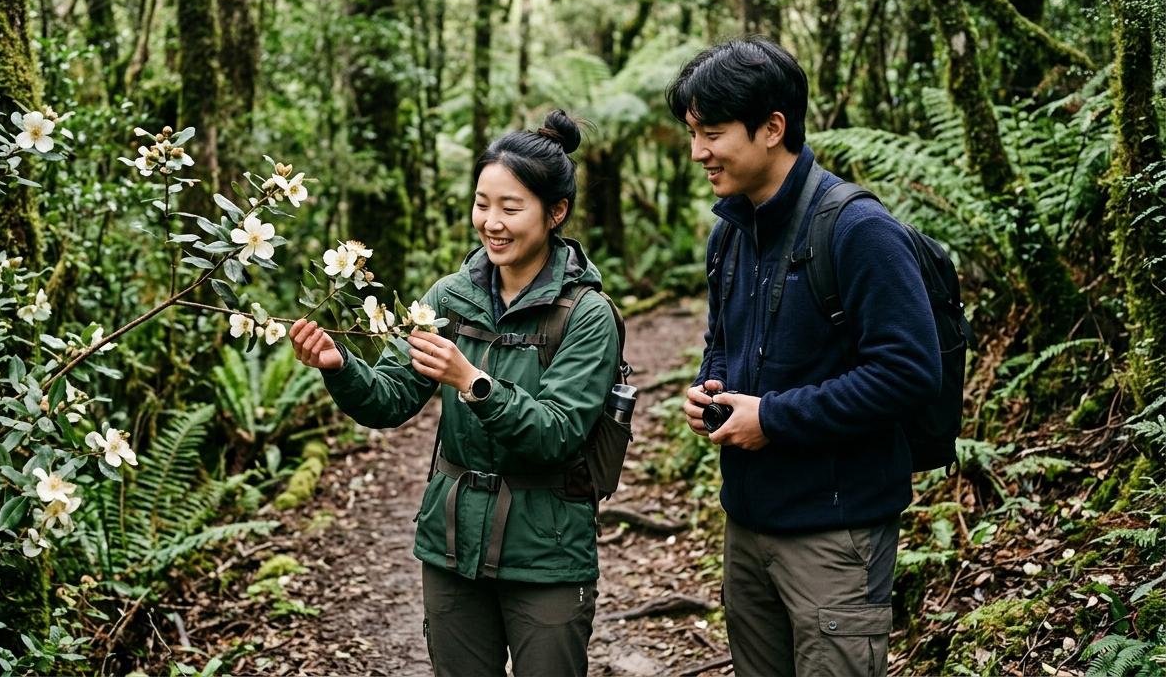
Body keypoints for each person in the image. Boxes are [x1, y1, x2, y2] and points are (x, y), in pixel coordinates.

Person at [288, 110, 620, 677]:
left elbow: (558, 434)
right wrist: (340, 366)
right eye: (482, 204)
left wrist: (474, 382)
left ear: (555, 212)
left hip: (548, 555)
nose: (491, 222)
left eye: (511, 208)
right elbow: (393, 398)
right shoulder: (449, 297)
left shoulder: (589, 315)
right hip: (451, 547)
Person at [667, 37, 941, 676]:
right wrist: (712, 390)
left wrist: (773, 418)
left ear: (772, 128)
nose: (698, 152)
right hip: (747, 525)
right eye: (692, 132)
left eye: (712, 132)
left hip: (835, 536)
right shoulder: (730, 231)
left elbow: (909, 372)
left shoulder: (857, 229)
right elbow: (724, 344)